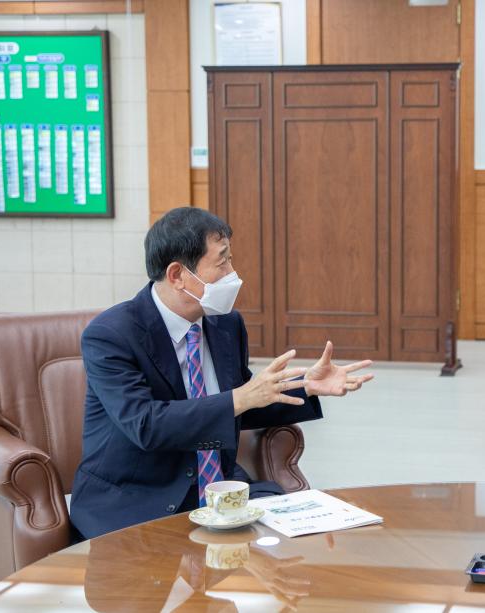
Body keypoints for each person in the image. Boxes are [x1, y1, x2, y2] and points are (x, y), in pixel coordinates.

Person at [71, 207, 374, 538]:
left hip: (219, 489)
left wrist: (307, 387)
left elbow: (242, 402)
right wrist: (240, 397)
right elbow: (145, 424)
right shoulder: (111, 335)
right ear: (177, 275)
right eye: (222, 262)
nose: (233, 273)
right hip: (138, 497)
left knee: (293, 546)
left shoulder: (225, 323)